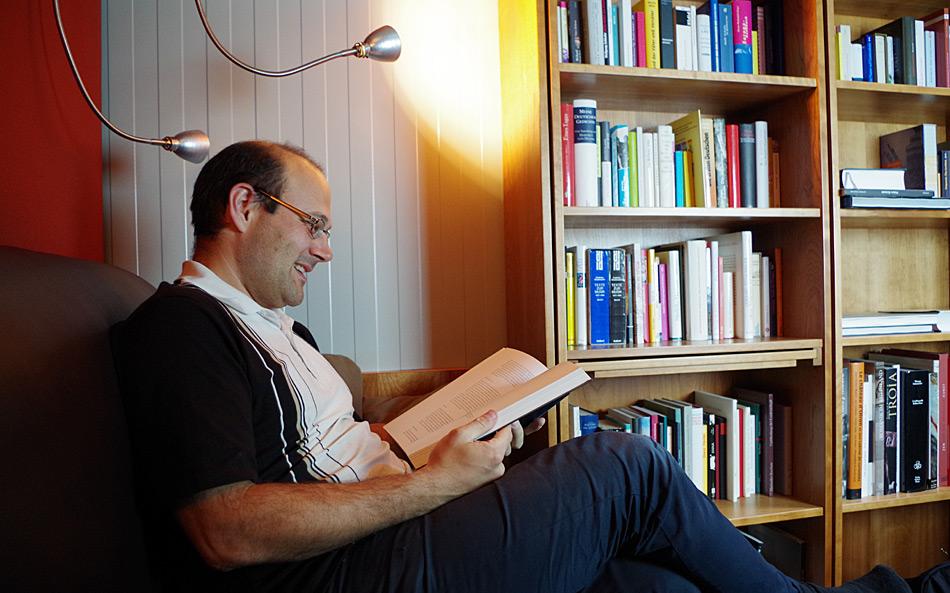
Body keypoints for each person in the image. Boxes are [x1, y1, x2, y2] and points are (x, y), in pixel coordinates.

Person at [116, 140, 932, 593]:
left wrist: (463, 428)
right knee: (624, 463)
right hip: (346, 573)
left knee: (652, 587)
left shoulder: (283, 333)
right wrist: (435, 482)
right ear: (244, 207)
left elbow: (334, 451)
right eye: (313, 224)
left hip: (390, 526)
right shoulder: (184, 327)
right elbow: (225, 528)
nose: (325, 249)